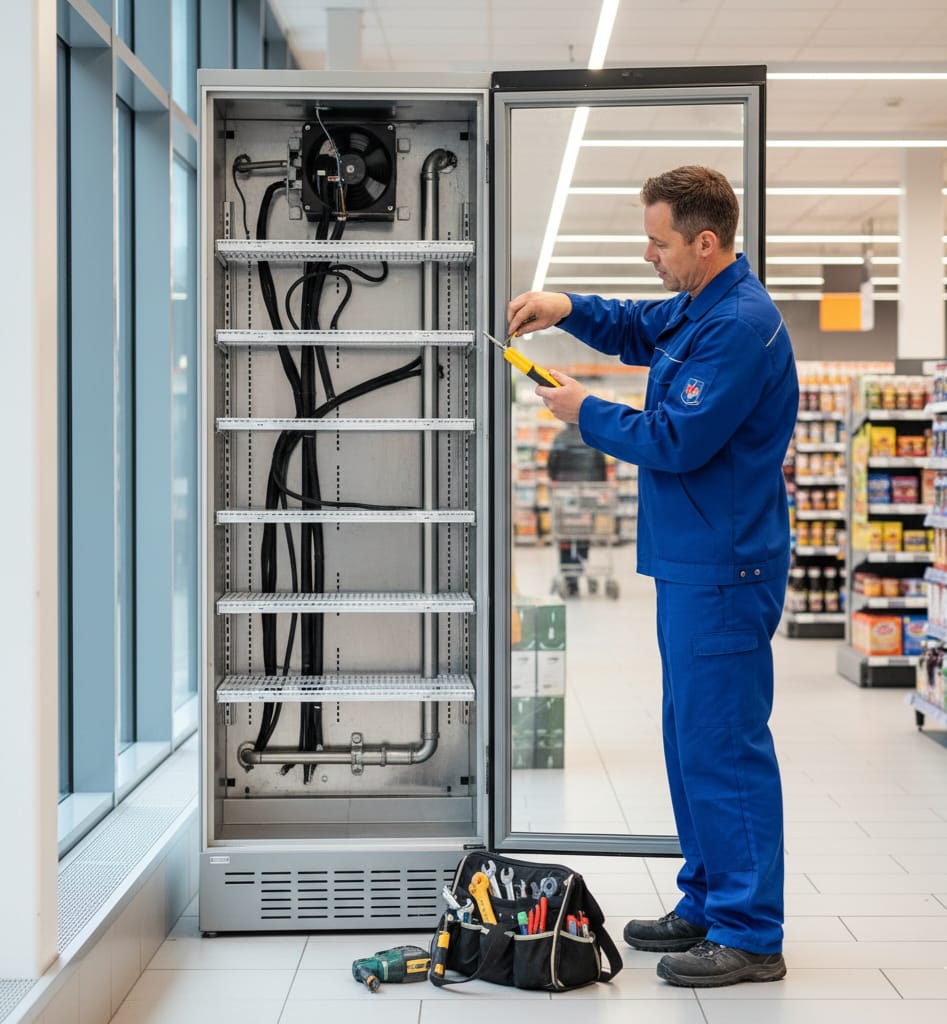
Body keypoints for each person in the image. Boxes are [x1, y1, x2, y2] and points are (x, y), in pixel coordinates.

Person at [507, 165, 797, 988]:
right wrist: (566, 307)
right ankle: (705, 902)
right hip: (692, 562)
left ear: (705, 243)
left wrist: (583, 413)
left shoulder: (740, 324)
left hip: (724, 565)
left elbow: (677, 439)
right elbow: (639, 329)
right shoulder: (701, 306)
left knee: (723, 747)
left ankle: (749, 932)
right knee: (687, 741)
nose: (648, 254)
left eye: (658, 242)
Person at [546, 421, 608, 595]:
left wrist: (556, 479)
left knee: (565, 533)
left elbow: (551, 465)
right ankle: (580, 565)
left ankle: (569, 576)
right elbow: (601, 467)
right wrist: (600, 488)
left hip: (565, 495)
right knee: (583, 533)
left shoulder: (560, 437)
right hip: (588, 495)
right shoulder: (592, 437)